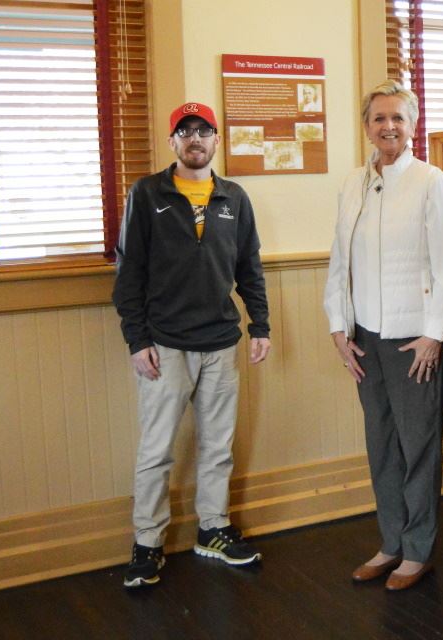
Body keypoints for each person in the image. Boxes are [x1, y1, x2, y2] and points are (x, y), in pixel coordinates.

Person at [113, 101, 272, 588]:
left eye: (204, 131)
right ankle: (147, 543)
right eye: (185, 132)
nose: (195, 139)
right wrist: (138, 340)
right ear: (173, 142)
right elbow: (129, 273)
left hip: (221, 342)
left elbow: (249, 266)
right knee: (157, 450)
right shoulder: (147, 193)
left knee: (217, 447)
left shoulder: (234, 197)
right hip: (165, 345)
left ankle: (213, 529)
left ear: (216, 140)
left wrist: (259, 325)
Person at [323, 80, 443, 591]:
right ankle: (391, 541)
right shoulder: (353, 184)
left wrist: (433, 335)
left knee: (418, 444)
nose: (388, 127)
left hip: (412, 339)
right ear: (366, 126)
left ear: (413, 124)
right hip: (365, 338)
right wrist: (338, 326)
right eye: (379, 118)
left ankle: (417, 549)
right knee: (381, 443)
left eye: (398, 118)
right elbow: (341, 260)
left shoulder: (430, 181)